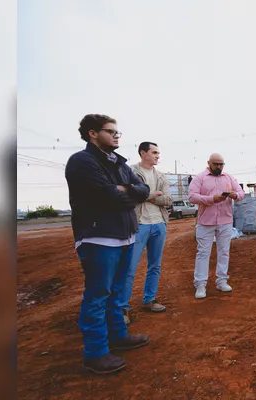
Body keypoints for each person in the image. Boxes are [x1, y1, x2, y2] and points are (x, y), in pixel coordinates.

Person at [65, 114, 151, 374]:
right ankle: (95, 353)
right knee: (97, 295)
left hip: (125, 235)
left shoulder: (120, 164)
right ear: (92, 133)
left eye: (117, 132)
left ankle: (118, 336)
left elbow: (143, 190)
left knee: (115, 292)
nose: (116, 135)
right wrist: (125, 191)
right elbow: (109, 196)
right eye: (110, 131)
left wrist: (123, 190)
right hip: (98, 237)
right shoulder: (82, 161)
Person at [118, 142, 173, 325]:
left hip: (159, 224)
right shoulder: (130, 171)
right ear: (143, 153)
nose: (158, 156)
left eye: (158, 152)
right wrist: (151, 195)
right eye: (154, 152)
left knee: (155, 266)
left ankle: (149, 300)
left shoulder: (161, 176)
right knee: (129, 268)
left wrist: (145, 195)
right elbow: (127, 195)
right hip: (138, 224)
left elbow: (168, 200)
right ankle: (122, 307)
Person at [188, 153, 245, 299]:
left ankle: (222, 281)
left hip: (225, 221)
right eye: (216, 164)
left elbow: (241, 192)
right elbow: (192, 197)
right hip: (205, 222)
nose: (219, 167)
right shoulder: (199, 178)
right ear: (209, 163)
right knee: (203, 253)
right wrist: (211, 199)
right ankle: (200, 284)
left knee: (224, 251)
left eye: (221, 164)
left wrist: (235, 195)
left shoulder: (229, 177)